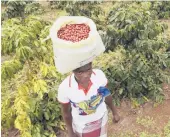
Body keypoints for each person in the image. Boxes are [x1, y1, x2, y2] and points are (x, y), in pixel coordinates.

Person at [57, 62, 120, 137]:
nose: (86, 75)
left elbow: (106, 95)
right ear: (73, 71)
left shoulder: (99, 76)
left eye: (88, 70)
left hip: (101, 118)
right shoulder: (65, 87)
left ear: (91, 65)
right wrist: (70, 132)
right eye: (80, 72)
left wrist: (115, 112)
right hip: (81, 126)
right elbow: (66, 113)